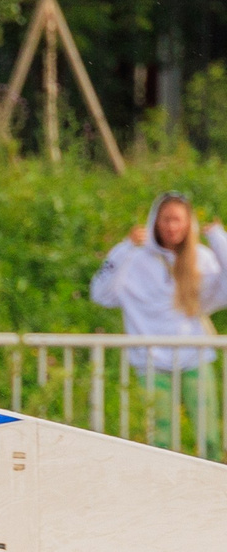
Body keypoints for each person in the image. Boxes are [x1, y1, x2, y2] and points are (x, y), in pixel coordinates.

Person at [91, 191, 227, 451]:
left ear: (189, 223)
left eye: (178, 220)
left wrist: (219, 239)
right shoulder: (135, 257)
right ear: (155, 221)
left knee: (210, 437)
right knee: (160, 440)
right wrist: (124, 248)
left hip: (194, 357)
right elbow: (101, 293)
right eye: (166, 219)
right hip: (151, 360)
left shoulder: (202, 257)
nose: (172, 226)